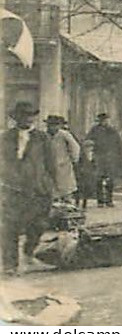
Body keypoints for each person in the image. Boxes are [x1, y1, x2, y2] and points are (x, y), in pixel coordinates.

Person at [1, 101, 52, 275]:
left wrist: (53, 187)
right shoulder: (5, 137)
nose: (28, 119)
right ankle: (10, 265)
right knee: (9, 227)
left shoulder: (42, 138)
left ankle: (29, 254)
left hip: (38, 189)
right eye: (24, 115)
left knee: (38, 224)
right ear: (16, 118)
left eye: (31, 116)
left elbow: (50, 164)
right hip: (11, 188)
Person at [86, 113, 122, 206]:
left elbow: (119, 144)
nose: (104, 122)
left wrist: (121, 156)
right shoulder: (94, 130)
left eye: (106, 120)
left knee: (110, 180)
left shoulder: (112, 131)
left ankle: (109, 200)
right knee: (98, 179)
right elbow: (88, 140)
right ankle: (100, 201)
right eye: (102, 120)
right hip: (99, 156)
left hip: (110, 157)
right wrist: (91, 147)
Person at [43, 115, 81, 202]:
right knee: (51, 191)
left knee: (66, 190)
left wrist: (74, 160)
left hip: (64, 166)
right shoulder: (44, 136)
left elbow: (75, 148)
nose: (52, 127)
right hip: (48, 167)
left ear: (59, 126)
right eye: (50, 125)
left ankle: (68, 206)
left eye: (55, 125)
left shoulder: (64, 135)